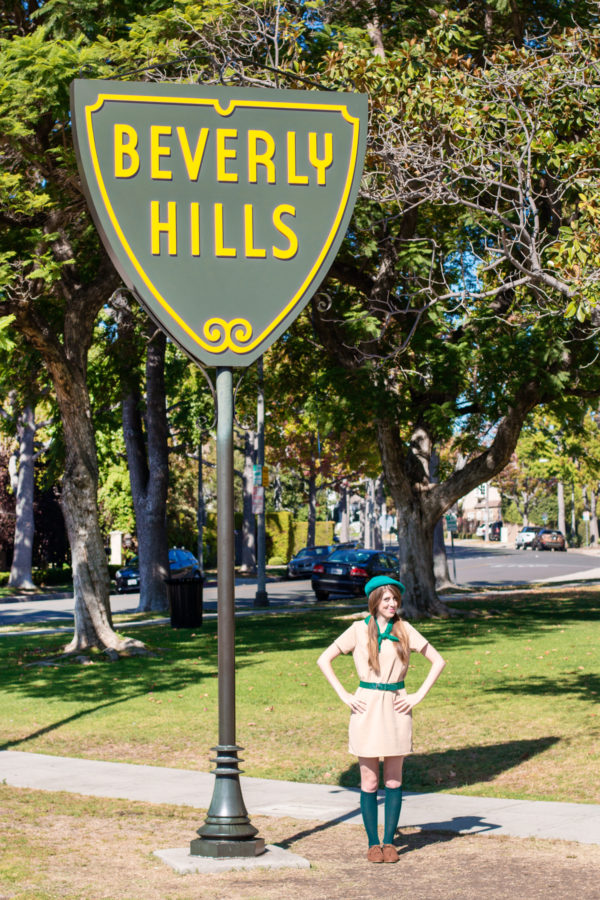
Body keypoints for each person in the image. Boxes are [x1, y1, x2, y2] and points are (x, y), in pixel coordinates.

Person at [317, 575, 446, 864]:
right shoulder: (357, 630)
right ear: (374, 602)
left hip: (397, 707)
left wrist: (417, 696)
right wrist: (344, 695)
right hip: (366, 707)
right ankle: (373, 843)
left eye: (395, 599)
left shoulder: (406, 629)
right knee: (369, 779)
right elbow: (324, 659)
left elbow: (438, 660)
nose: (392, 603)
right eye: (386, 599)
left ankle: (390, 842)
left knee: (393, 778)